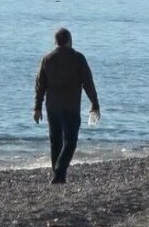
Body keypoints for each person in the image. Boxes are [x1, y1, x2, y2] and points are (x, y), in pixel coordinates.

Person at [33, 27, 100, 185]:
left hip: (52, 107)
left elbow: (40, 85)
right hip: (71, 107)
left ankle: (58, 174)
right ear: (70, 41)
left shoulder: (47, 59)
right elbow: (88, 83)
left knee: (55, 141)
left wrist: (37, 107)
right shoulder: (78, 58)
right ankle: (59, 172)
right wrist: (95, 103)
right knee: (70, 141)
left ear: (55, 42)